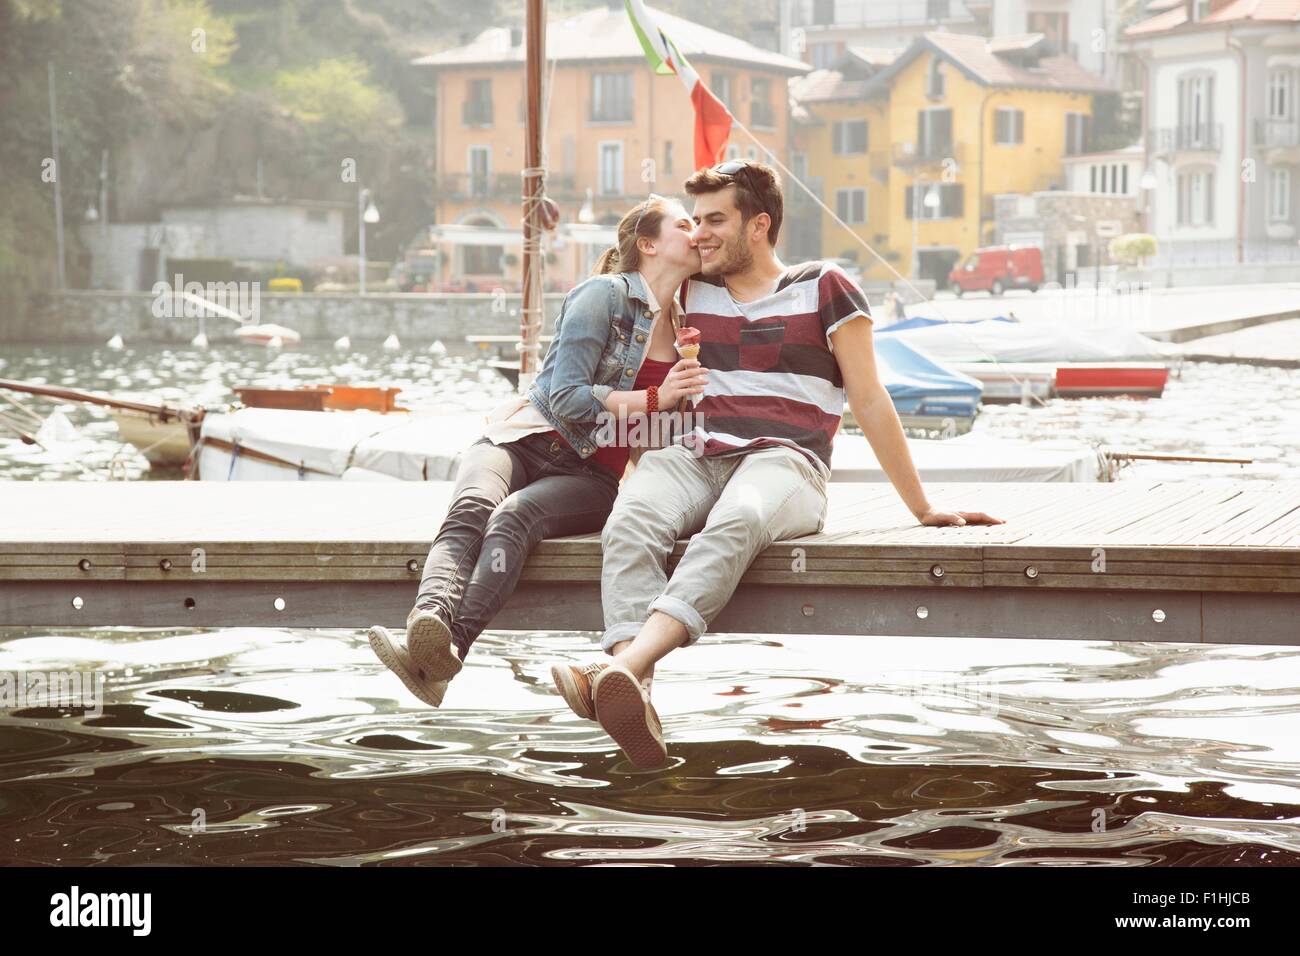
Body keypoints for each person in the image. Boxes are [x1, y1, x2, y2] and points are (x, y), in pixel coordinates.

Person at [549, 160, 1005, 768]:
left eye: (715, 220)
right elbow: (631, 338)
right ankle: (635, 695)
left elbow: (869, 397)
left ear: (759, 225)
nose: (700, 234)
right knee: (630, 519)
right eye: (695, 221)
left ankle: (622, 665)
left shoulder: (825, 286)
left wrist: (922, 507)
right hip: (696, 451)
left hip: (787, 463)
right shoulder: (692, 291)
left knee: (737, 519)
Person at [368, 195, 707, 708]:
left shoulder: (686, 329)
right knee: (472, 510)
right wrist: (657, 397)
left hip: (591, 473)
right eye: (686, 224)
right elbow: (567, 396)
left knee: (513, 517)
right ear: (649, 243)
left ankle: (440, 657)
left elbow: (642, 439)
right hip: (523, 436)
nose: (698, 232)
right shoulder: (603, 295)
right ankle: (431, 624)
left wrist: (678, 421)